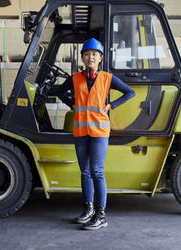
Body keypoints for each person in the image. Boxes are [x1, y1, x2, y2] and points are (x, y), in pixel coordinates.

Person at [57, 38, 135, 230]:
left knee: (97, 172)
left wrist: (111, 105)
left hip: (99, 130)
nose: (90, 57)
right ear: (83, 57)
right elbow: (60, 91)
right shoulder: (75, 78)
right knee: (84, 172)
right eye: (87, 54)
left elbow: (129, 92)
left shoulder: (108, 78)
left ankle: (101, 215)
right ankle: (88, 210)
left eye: (94, 54)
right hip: (81, 130)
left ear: (100, 58)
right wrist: (71, 104)